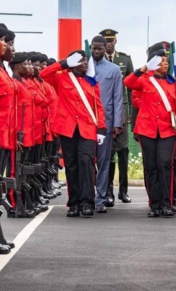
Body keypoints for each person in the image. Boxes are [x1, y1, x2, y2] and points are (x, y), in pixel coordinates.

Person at [40, 51, 106, 217]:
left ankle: (87, 202)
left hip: (87, 127)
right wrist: (64, 63)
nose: (85, 63)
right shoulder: (62, 77)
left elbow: (98, 106)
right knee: (71, 165)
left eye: (85, 60)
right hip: (68, 127)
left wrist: (101, 129)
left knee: (86, 162)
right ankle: (74, 203)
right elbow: (43, 74)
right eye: (81, 60)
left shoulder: (92, 81)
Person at [124, 47, 176, 217]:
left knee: (165, 164)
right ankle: (155, 204)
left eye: (167, 61)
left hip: (168, 130)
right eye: (162, 61)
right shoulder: (145, 79)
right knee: (151, 166)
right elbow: (128, 82)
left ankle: (167, 203)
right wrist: (144, 68)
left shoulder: (175, 82)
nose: (165, 64)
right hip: (147, 130)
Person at [89, 36, 124, 213]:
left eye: (99, 49)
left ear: (105, 49)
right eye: (94, 49)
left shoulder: (114, 69)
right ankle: (87, 197)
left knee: (104, 162)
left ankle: (101, 198)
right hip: (86, 123)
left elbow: (118, 97)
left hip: (106, 123)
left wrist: (118, 122)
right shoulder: (82, 67)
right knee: (87, 162)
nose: (96, 52)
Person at [100, 28, 134, 205]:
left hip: (122, 112)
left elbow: (131, 88)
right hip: (105, 113)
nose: (109, 44)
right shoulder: (98, 62)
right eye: (106, 41)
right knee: (108, 154)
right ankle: (108, 191)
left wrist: (129, 115)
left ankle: (123, 191)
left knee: (123, 152)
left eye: (111, 41)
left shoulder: (125, 60)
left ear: (115, 42)